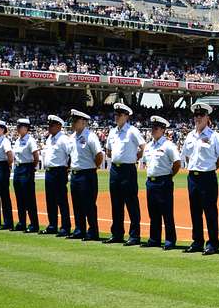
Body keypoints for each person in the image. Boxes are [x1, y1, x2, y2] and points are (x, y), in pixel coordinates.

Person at [180, 102, 219, 255]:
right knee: (195, 211)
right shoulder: (190, 136)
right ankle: (197, 241)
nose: (198, 118)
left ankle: (213, 243)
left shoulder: (214, 136)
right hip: (193, 177)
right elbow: (186, 155)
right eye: (196, 115)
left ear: (207, 117)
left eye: (201, 115)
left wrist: (210, 169)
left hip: (207, 177)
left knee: (210, 211)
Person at [103, 103, 146, 245]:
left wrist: (135, 157)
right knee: (116, 203)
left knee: (131, 203)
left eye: (119, 115)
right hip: (115, 169)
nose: (116, 117)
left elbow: (143, 147)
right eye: (115, 114)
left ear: (126, 116)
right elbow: (108, 150)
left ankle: (134, 236)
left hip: (128, 170)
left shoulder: (132, 131)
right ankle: (117, 234)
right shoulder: (112, 131)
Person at [141, 115, 181, 250]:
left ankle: (170, 240)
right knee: (153, 213)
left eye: (156, 128)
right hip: (151, 182)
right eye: (152, 127)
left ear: (163, 130)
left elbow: (177, 163)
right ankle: (154, 239)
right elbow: (147, 163)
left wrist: (169, 176)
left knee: (167, 213)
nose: (153, 130)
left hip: (164, 181)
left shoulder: (168, 145)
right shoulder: (149, 146)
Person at [67, 109, 103, 241]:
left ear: (83, 122)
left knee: (89, 204)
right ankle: (79, 229)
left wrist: (93, 167)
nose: (73, 124)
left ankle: (93, 231)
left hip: (87, 174)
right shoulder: (71, 137)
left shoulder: (90, 136)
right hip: (75, 174)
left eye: (75, 121)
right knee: (77, 204)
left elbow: (99, 155)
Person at [40, 114, 72, 237]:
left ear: (59, 126)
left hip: (59, 171)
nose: (49, 127)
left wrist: (67, 169)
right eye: (49, 125)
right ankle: (52, 225)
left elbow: (70, 154)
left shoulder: (63, 139)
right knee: (50, 200)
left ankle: (65, 226)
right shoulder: (50, 138)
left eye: (52, 125)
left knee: (61, 200)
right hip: (49, 171)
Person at [12, 118, 40, 233]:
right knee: (19, 198)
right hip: (18, 168)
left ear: (26, 128)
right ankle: (21, 222)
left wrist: (31, 168)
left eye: (20, 126)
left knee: (29, 198)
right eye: (17, 126)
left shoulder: (30, 140)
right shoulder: (18, 140)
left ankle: (34, 224)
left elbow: (36, 156)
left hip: (27, 167)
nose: (18, 128)